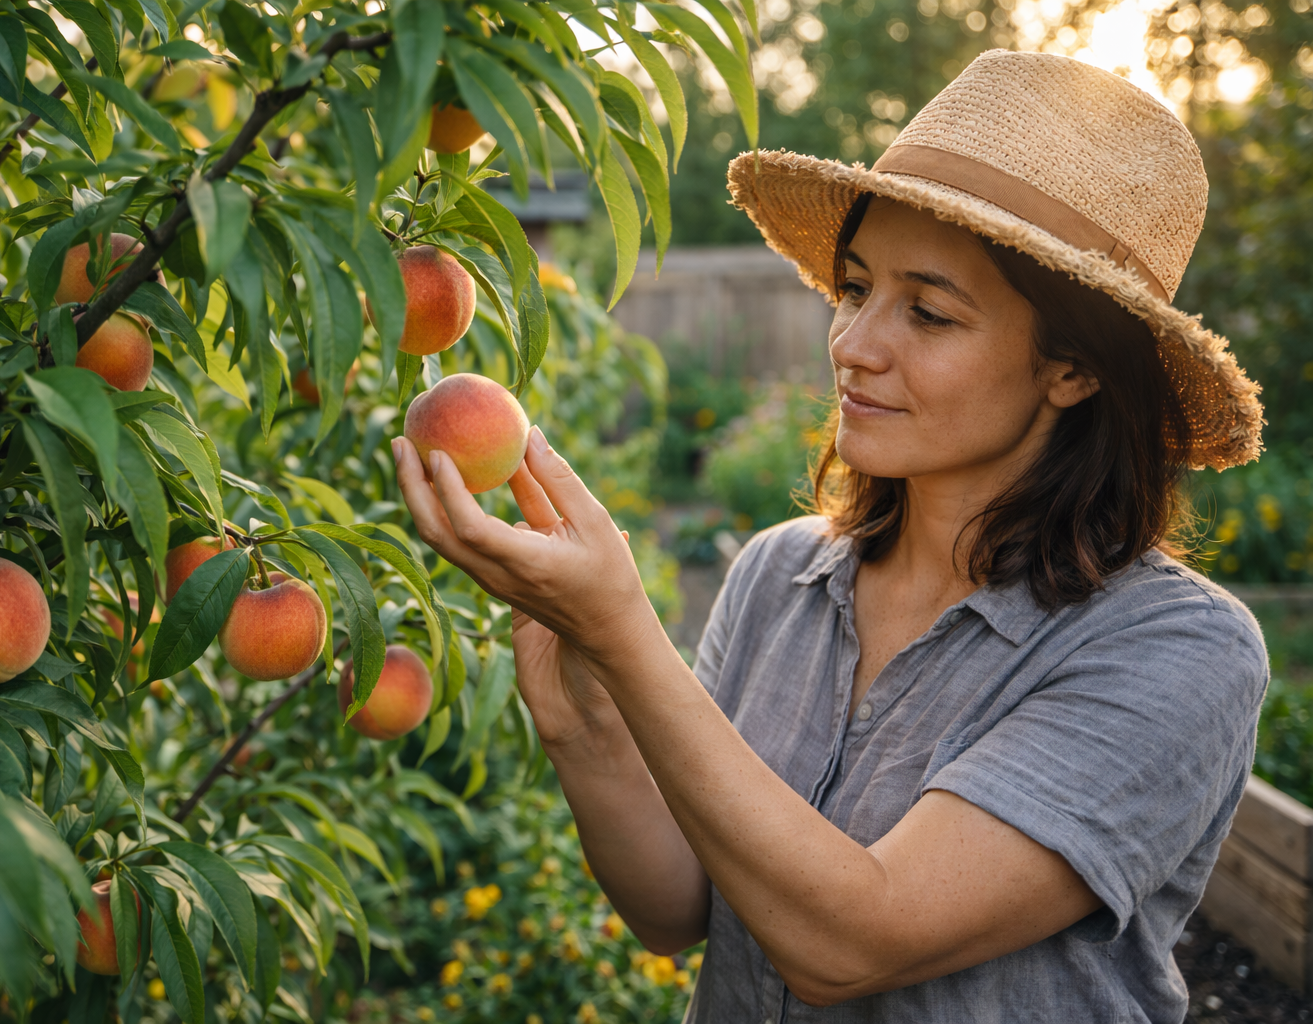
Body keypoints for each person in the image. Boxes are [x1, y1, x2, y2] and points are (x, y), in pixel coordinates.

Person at [392, 50, 1269, 1023]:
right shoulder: (781, 575)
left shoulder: (1173, 650)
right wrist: (584, 711)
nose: (852, 343)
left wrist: (629, 633)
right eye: (855, 289)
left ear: (1073, 368)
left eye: (928, 312)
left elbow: (852, 943)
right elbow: (675, 906)